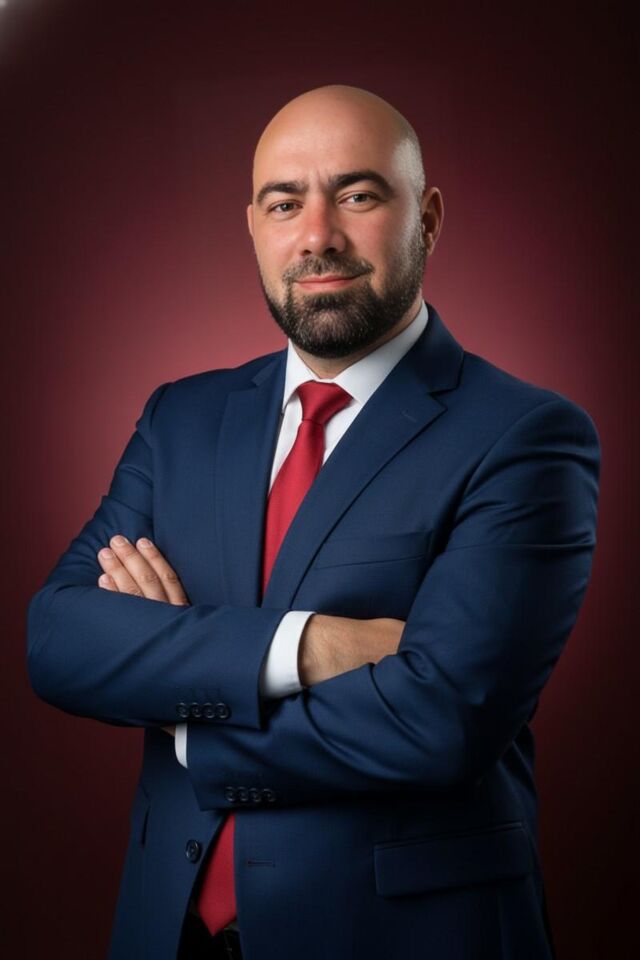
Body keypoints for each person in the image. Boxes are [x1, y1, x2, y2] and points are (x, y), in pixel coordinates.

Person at [27, 84, 601, 960]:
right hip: (165, 932)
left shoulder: (526, 436)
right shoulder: (181, 419)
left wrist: (184, 712)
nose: (318, 235)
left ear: (428, 220)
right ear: (253, 227)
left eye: (358, 195)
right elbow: (60, 638)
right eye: (284, 203)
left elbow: (441, 721)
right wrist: (307, 647)